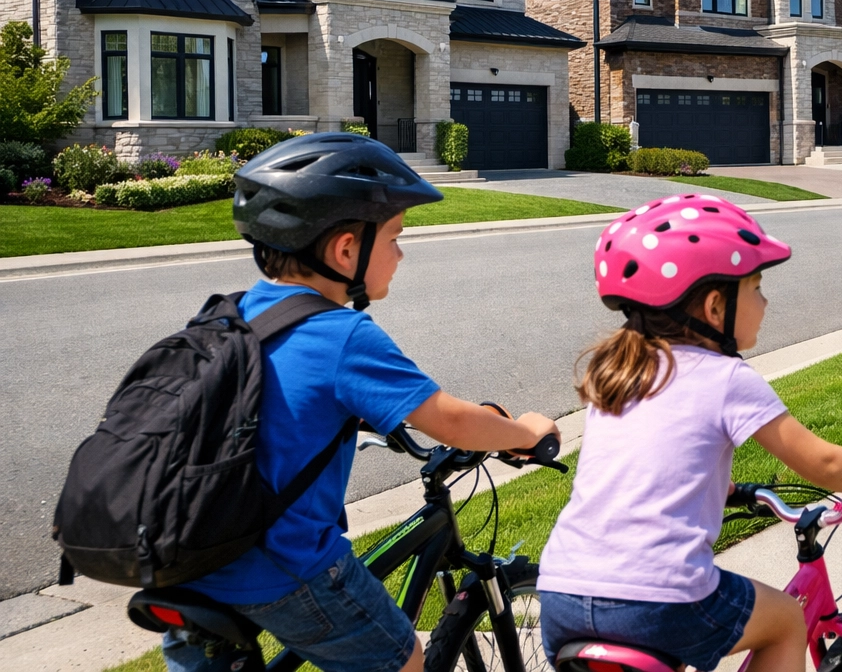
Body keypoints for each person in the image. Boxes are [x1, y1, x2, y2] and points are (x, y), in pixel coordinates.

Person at [163, 133, 559, 672]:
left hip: (188, 561)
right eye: (395, 235)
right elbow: (450, 421)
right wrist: (527, 432)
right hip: (286, 568)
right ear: (346, 249)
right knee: (406, 661)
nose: (401, 251)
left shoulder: (229, 314)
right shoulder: (340, 333)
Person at [538, 196, 842, 672]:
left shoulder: (620, 368)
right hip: (662, 601)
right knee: (787, 620)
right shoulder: (727, 378)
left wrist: (714, 488)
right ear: (714, 306)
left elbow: (642, 460)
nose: (765, 302)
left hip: (562, 592)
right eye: (756, 287)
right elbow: (822, 463)